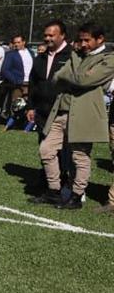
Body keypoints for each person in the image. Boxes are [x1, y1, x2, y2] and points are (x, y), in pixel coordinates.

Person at [32, 24, 114, 210]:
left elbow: (84, 80)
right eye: (81, 40)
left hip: (84, 115)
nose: (83, 44)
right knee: (46, 150)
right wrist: (73, 75)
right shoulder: (78, 55)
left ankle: (77, 196)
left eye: (87, 40)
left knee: (80, 157)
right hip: (60, 112)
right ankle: (54, 190)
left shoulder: (108, 59)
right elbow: (56, 78)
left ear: (99, 39)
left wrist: (74, 65)